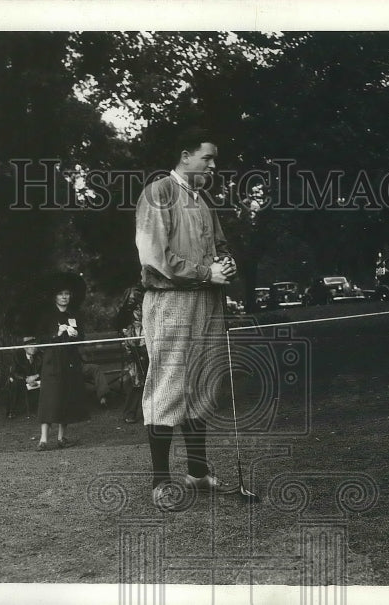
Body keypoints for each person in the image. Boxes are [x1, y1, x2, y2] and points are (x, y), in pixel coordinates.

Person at [135, 127, 237, 510]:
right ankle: (161, 482)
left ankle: (197, 470)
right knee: (167, 386)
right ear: (185, 156)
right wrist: (206, 273)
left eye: (214, 160)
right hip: (171, 302)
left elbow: (220, 247)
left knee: (200, 384)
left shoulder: (203, 200)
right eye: (207, 158)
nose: (212, 166)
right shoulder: (159, 192)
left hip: (206, 302)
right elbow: (154, 258)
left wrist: (226, 265)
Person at [34, 275, 89, 450]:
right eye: (61, 294)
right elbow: (40, 340)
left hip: (70, 360)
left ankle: (61, 438)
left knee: (67, 396)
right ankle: (43, 440)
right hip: (52, 361)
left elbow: (82, 337)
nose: (64, 297)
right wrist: (56, 334)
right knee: (49, 398)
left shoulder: (75, 315)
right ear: (55, 296)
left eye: (67, 294)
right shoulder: (47, 316)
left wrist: (76, 336)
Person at [115, 284, 148, 425]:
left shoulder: (146, 307)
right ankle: (130, 412)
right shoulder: (125, 313)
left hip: (146, 344)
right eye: (131, 298)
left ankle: (150, 412)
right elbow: (119, 326)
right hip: (132, 349)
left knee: (149, 379)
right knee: (136, 380)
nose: (134, 300)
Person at [6, 336, 42, 419]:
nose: (34, 348)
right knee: (13, 383)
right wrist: (26, 379)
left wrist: (36, 376)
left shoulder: (40, 355)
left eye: (35, 346)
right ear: (25, 348)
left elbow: (45, 369)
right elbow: (14, 372)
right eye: (30, 346)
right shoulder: (17, 355)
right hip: (22, 379)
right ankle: (12, 410)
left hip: (37, 379)